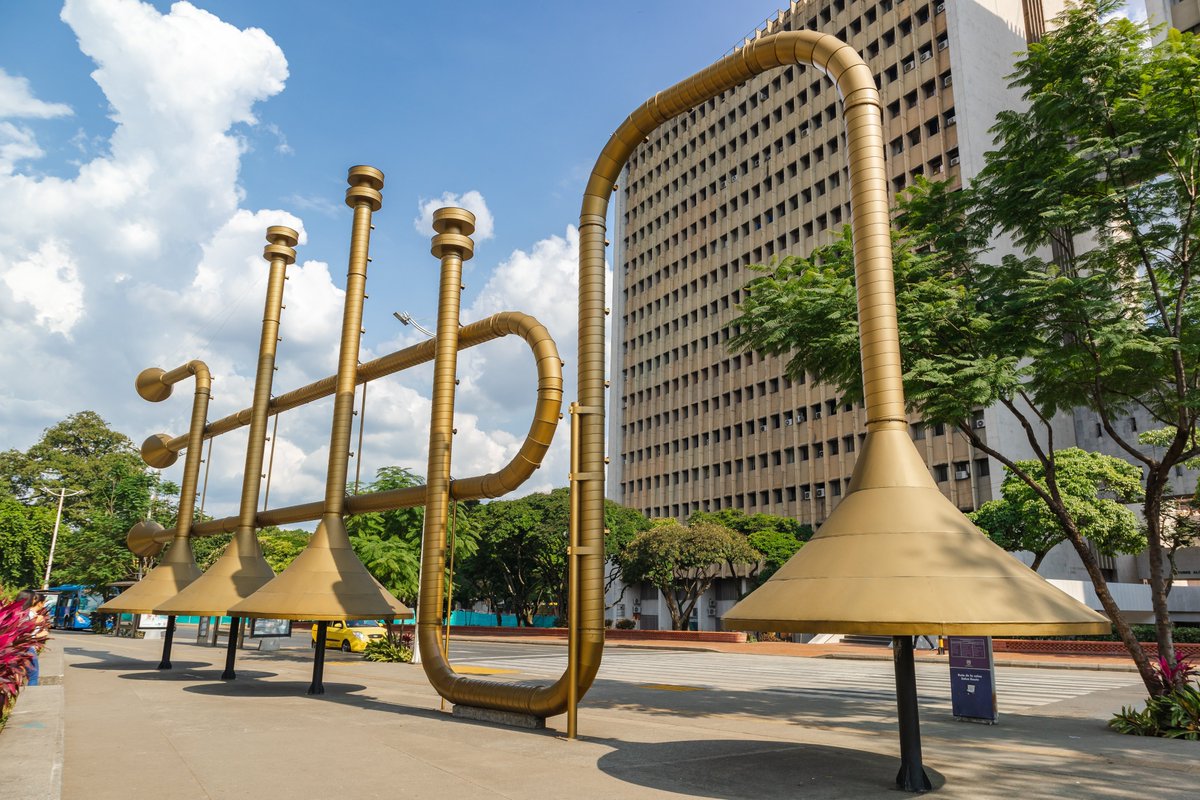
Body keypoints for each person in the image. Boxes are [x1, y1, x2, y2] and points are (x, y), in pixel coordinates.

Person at [14, 590, 47, 687]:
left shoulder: (15, 612)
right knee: (33, 676)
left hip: (14, 649)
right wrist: (36, 624)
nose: (34, 601)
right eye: (33, 598)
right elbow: (23, 634)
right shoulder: (27, 614)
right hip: (26, 648)